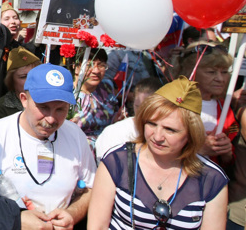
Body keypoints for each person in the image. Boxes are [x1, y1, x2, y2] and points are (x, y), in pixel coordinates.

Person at [87, 77, 229, 230]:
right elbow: (97, 226)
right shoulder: (116, 162)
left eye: (170, 130)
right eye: (152, 124)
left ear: (191, 134)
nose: (157, 136)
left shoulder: (212, 179)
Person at [0, 64, 95, 229]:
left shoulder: (75, 135)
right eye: (43, 108)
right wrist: (16, 219)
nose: (51, 119)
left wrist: (72, 214)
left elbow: (90, 187)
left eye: (60, 109)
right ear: (24, 99)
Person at [176, 41, 239, 168]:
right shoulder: (173, 103)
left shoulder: (224, 107)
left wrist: (226, 152)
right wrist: (197, 149)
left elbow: (229, 164)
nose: (220, 78)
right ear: (191, 72)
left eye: (224, 72)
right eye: (211, 72)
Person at [94, 78, 161, 162]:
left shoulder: (163, 134)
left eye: (148, 108)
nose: (142, 112)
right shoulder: (114, 133)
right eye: (138, 106)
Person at [71, 49, 121, 149]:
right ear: (76, 67)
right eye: (90, 65)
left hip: (107, 146)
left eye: (101, 65)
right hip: (77, 148)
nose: (96, 70)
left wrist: (117, 119)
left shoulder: (106, 87)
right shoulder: (68, 92)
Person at [0, 47, 41, 123]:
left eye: (34, 75)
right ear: (11, 81)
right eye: (23, 77)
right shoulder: (0, 107)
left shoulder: (50, 100)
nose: (30, 80)